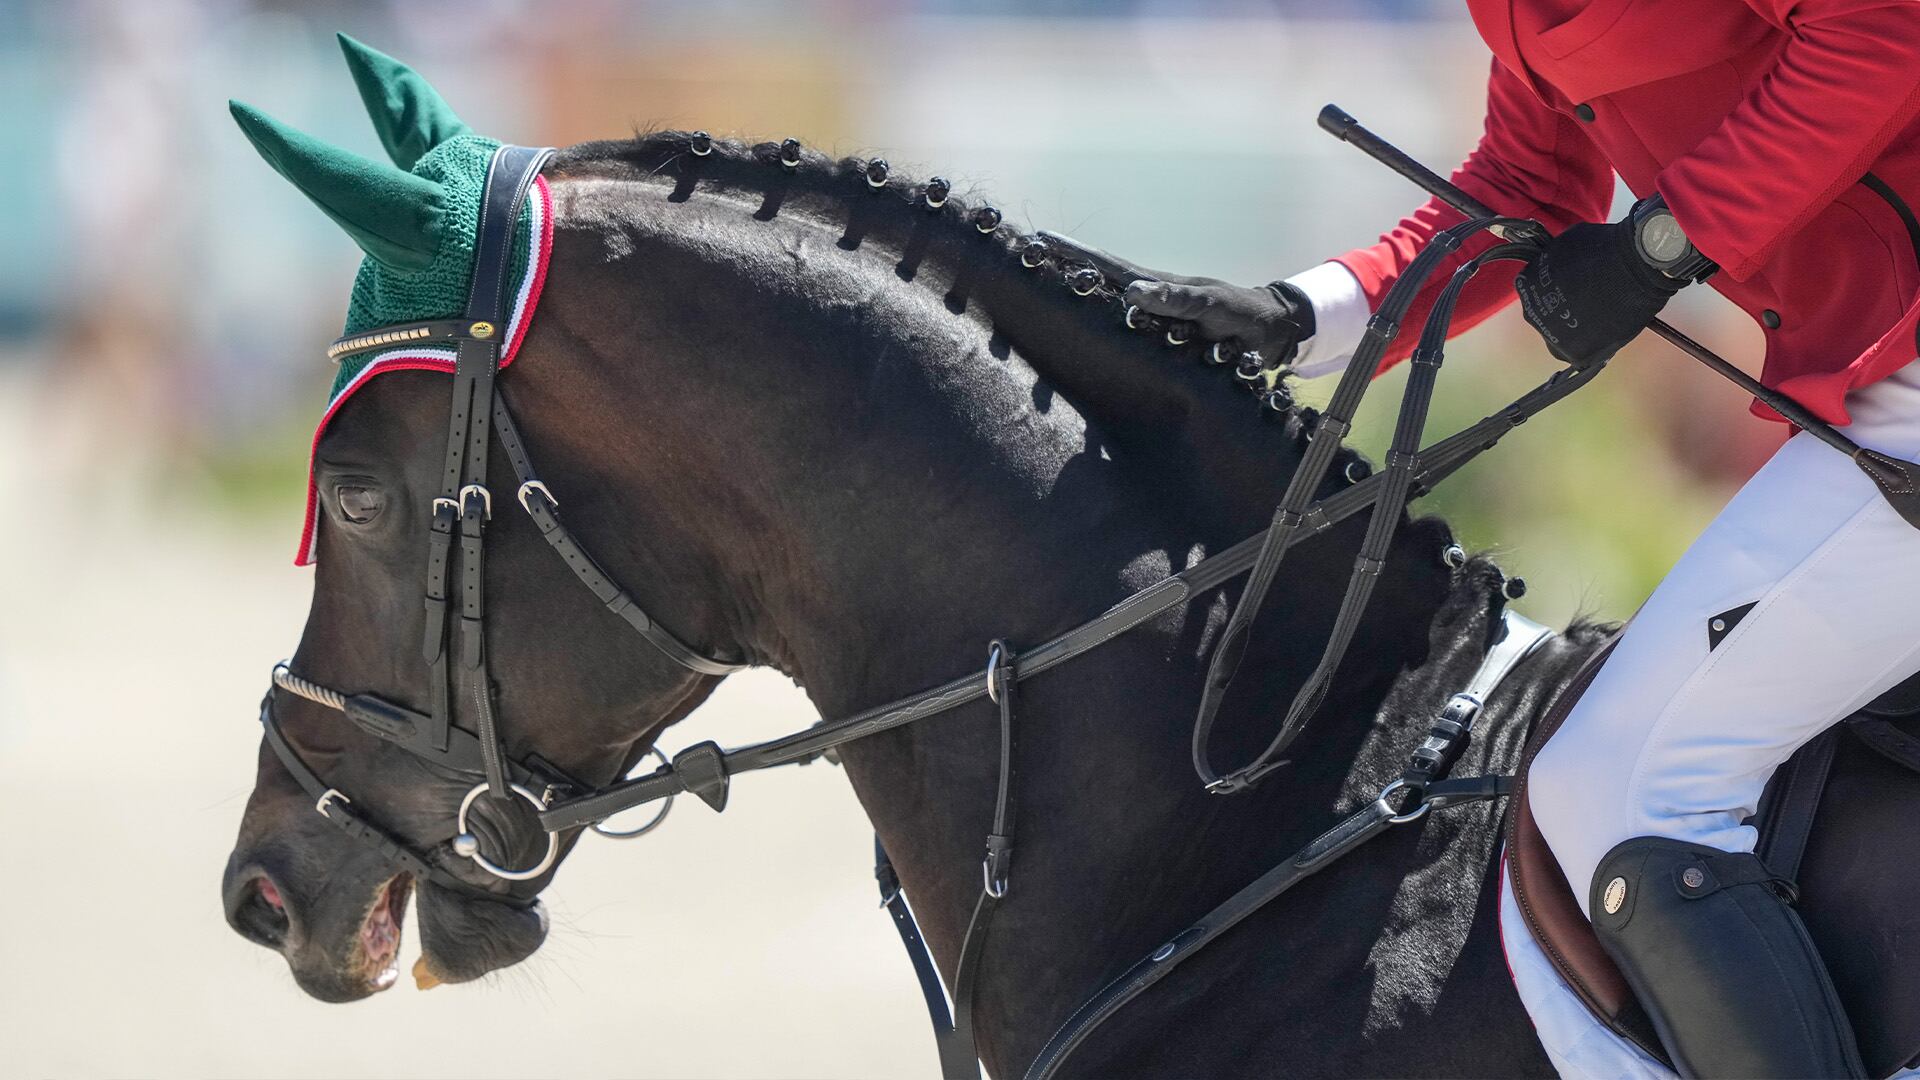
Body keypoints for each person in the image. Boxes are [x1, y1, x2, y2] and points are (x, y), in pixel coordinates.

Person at [1071, 2, 1920, 1077]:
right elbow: (1527, 185)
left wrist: (1663, 243)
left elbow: (1880, 29)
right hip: (1870, 401)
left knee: (1617, 787)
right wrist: (1297, 312)